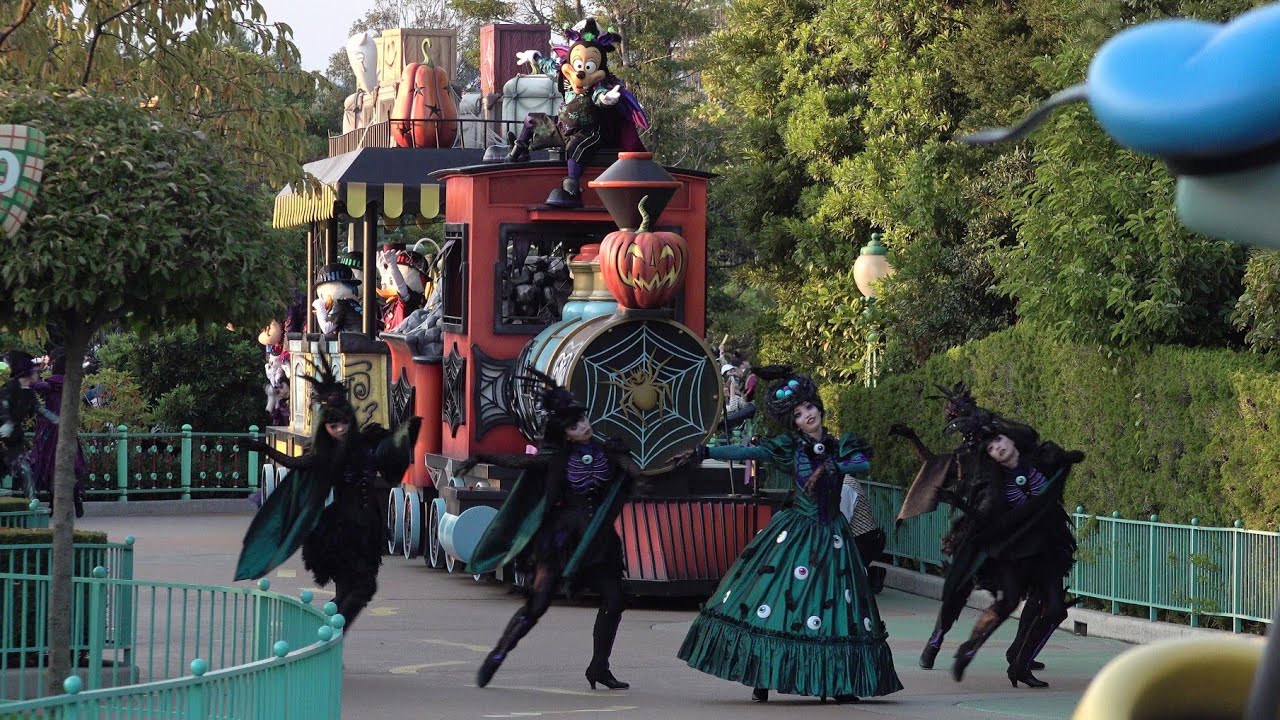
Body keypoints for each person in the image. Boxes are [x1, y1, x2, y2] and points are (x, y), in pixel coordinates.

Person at [673, 366, 902, 704]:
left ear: (819, 408)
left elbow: (863, 463)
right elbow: (749, 452)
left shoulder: (841, 447)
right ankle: (764, 673)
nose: (807, 414)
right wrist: (705, 452)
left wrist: (835, 466)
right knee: (777, 599)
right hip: (797, 533)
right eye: (798, 413)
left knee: (837, 605)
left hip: (833, 537)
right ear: (793, 422)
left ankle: (839, 682)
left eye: (809, 407)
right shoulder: (790, 449)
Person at [462, 369, 646, 691]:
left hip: (598, 540)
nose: (585, 427)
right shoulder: (555, 459)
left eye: (585, 420)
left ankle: (598, 668)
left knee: (615, 600)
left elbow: (636, 474)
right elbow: (520, 463)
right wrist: (481, 456)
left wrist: (624, 458)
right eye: (576, 426)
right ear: (565, 433)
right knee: (538, 604)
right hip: (561, 539)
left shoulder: (607, 451)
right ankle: (498, 653)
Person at [235, 353, 419, 629]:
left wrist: (405, 435)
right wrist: (265, 448)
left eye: (344, 423)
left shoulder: (368, 441)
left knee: (353, 589)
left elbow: (389, 455)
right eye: (333, 425)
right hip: (342, 528)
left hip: (369, 525)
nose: (340, 429)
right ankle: (331, 639)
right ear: (325, 426)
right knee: (358, 589)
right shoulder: (325, 454)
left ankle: (330, 641)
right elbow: (298, 463)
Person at [890, 383, 1049, 674]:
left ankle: (1021, 653)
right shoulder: (965, 456)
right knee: (958, 589)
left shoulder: (1002, 446)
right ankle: (936, 640)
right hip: (977, 529)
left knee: (1034, 589)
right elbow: (934, 465)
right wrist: (912, 438)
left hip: (1011, 532)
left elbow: (1028, 453)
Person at [945, 408, 1085, 688]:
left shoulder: (1041, 459)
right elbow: (989, 518)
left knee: (1057, 609)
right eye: (992, 448)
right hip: (1013, 554)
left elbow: (1059, 472)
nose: (998, 448)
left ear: (1010, 439)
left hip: (1045, 549)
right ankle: (968, 649)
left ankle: (1020, 664)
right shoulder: (994, 484)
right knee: (1008, 602)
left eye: (999, 441)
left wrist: (1068, 460)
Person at [29, 352, 87, 517]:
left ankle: (53, 504)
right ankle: (76, 499)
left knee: (48, 466)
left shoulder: (50, 386)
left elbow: (34, 385)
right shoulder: (72, 384)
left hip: (50, 431)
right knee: (70, 465)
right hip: (67, 429)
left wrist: (36, 371)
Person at [0, 351, 54, 500]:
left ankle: (31, 504)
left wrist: (56, 419)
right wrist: (6, 423)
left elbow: (38, 409)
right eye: (35, 371)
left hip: (14, 441)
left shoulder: (29, 393)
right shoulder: (8, 389)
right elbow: (2, 407)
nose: (37, 374)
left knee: (25, 469)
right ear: (27, 373)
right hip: (2, 436)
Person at [840, 472, 886, 594]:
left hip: (861, 539)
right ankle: (871, 574)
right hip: (862, 537)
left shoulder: (845, 486)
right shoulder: (843, 483)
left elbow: (842, 519)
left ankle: (871, 576)